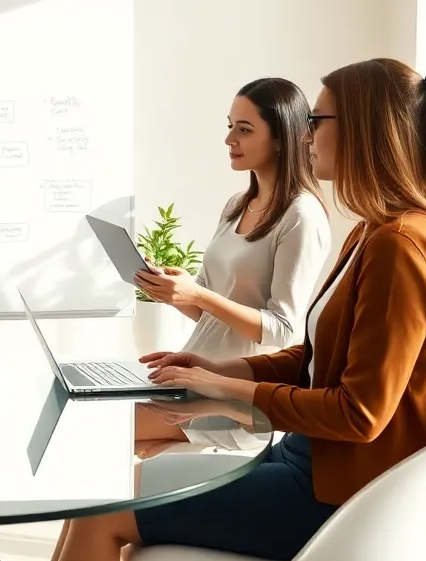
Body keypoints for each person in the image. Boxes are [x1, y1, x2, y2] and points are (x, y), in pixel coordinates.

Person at [36, 58, 426, 561]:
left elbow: (358, 414)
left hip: (335, 501)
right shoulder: (376, 232)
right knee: (98, 487)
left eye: (318, 120)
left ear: (364, 129)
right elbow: (318, 358)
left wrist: (232, 391)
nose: (308, 133)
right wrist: (222, 370)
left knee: (101, 504)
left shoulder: (400, 249)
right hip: (309, 467)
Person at [134, 77, 331, 363]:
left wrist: (198, 294)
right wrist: (172, 291)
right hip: (196, 374)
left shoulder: (301, 215)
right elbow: (208, 314)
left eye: (245, 130)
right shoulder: (236, 205)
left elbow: (283, 330)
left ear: (281, 138)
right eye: (230, 126)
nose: (229, 139)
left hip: (242, 389)